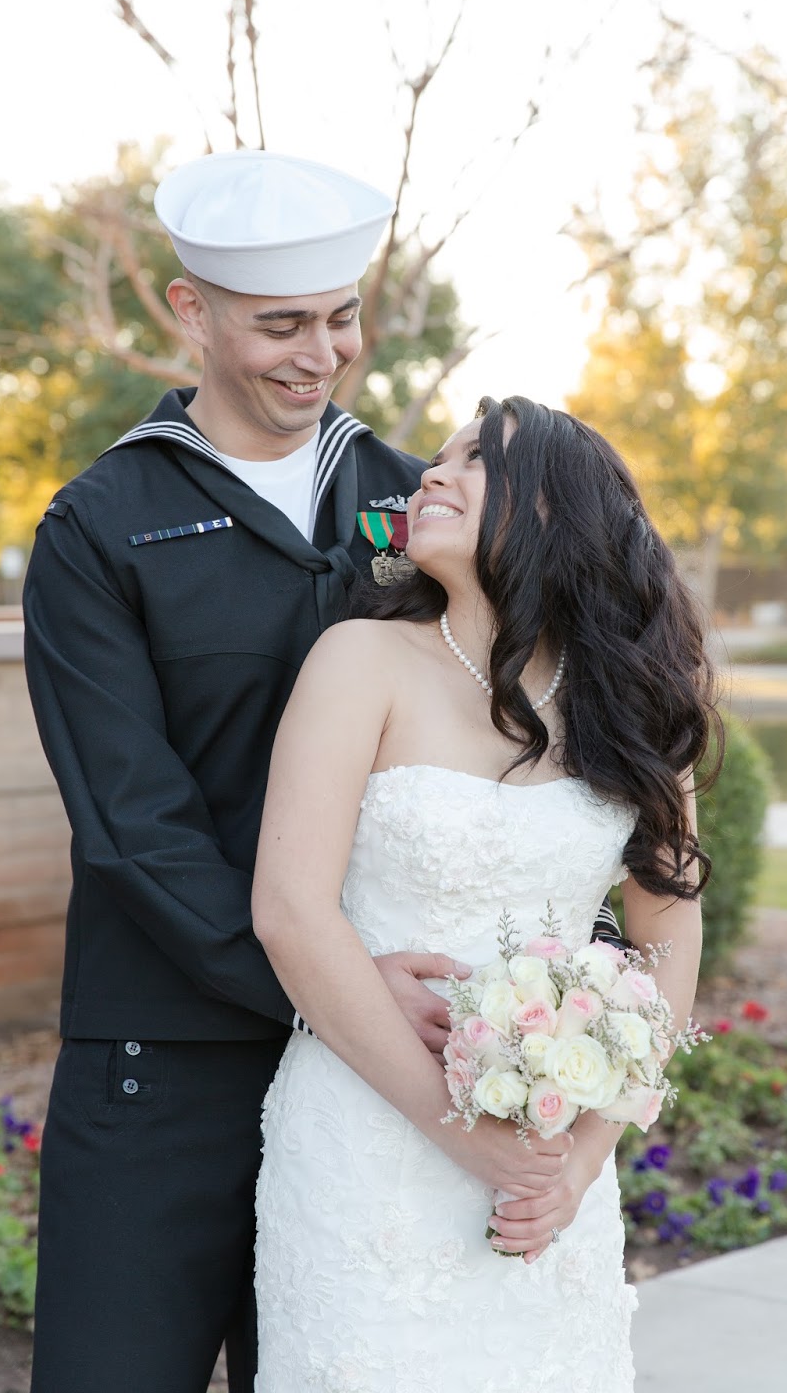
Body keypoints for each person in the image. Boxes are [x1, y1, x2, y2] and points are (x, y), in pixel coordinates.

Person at [23, 151, 624, 1393]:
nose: (320, 352)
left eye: (340, 317)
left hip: (396, 1081)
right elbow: (131, 823)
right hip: (168, 1053)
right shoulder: (101, 525)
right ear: (191, 311)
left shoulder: (426, 498)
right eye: (279, 324)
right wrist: (322, 981)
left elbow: (543, 733)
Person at [251, 394, 720, 1392]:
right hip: (367, 1140)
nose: (431, 473)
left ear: (553, 510)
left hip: (549, 1167)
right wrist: (468, 1137)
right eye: (437, 457)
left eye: (476, 460)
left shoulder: (635, 701)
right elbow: (290, 909)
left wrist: (581, 1158)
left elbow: (668, 934)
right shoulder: (359, 659)